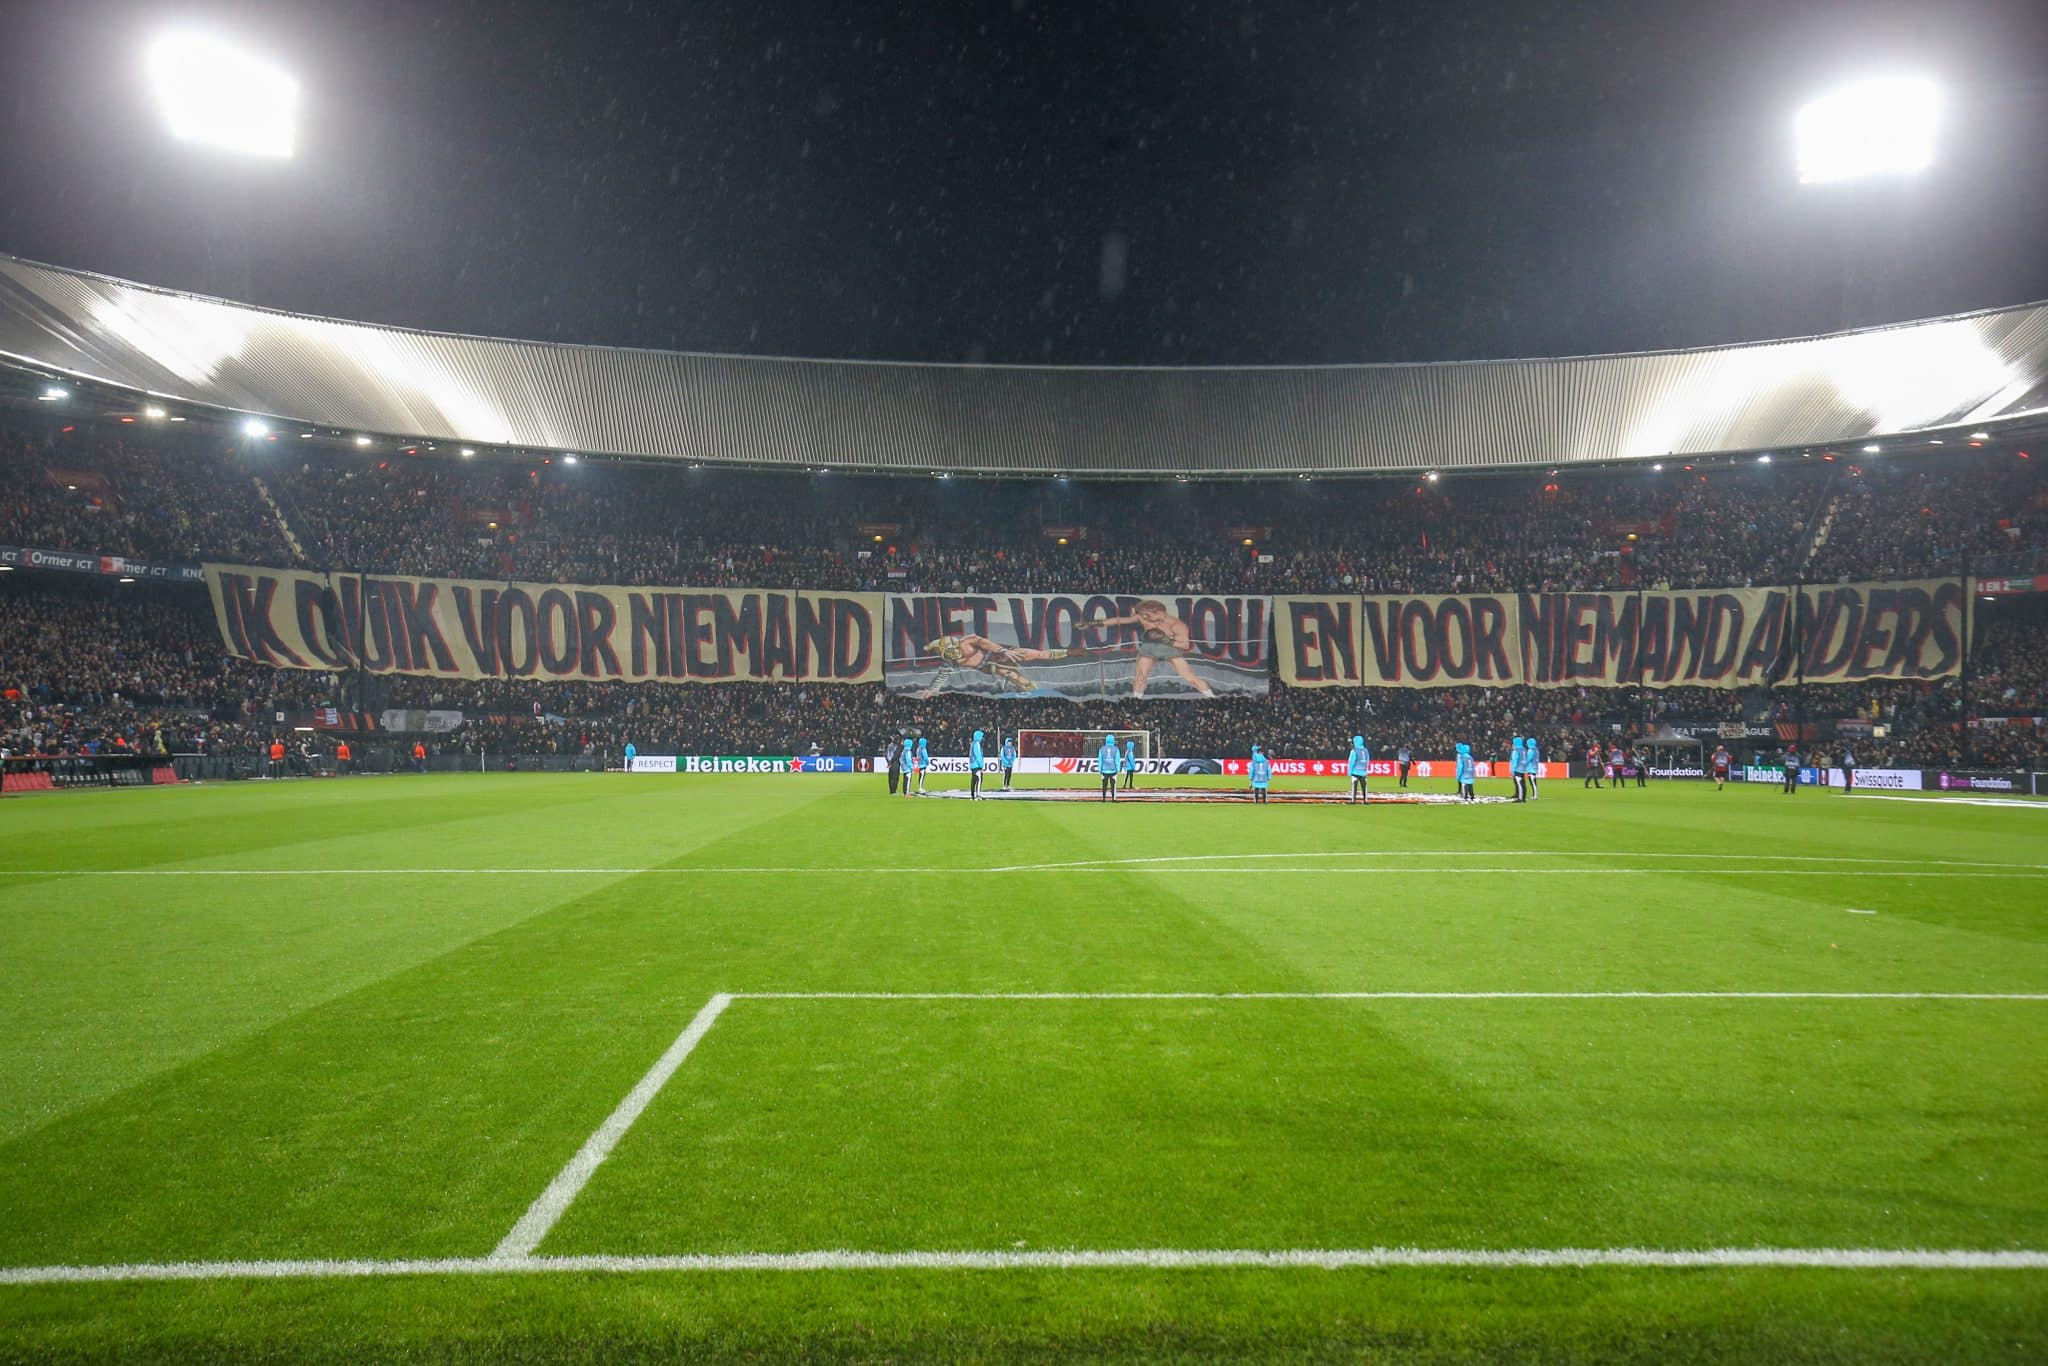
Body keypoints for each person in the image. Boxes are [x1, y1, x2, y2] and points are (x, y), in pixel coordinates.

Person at [1088, 600, 1216, 698]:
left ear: (1158, 612)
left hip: (1169, 647)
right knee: (1140, 677)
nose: (1145, 617)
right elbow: (1118, 620)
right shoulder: (1143, 617)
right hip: (1150, 646)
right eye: (1143, 615)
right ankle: (1136, 701)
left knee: (1190, 677)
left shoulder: (1177, 624)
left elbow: (1185, 645)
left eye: (1147, 614)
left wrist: (1165, 640)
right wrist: (1093, 624)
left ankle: (1211, 698)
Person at [920, 634, 1068, 695]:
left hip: (997, 654)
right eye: (947, 654)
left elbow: (986, 643)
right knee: (1013, 676)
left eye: (951, 650)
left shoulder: (968, 640)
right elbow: (942, 675)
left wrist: (1003, 651)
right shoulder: (950, 661)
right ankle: (1034, 693)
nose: (952, 655)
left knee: (1037, 654)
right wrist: (932, 689)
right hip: (989, 666)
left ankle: (1067, 653)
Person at [1347, 734, 1371, 804]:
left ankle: (1353, 800)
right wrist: (1365, 769)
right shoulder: (1366, 750)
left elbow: (1351, 762)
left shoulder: (1354, 751)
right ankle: (1365, 800)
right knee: (1364, 787)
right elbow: (1367, 760)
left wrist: (1349, 771)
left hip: (1355, 771)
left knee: (1354, 786)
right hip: (1363, 772)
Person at [1097, 732, 1122, 801]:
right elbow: (1117, 760)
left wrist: (1100, 769)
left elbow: (1100, 760)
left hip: (1104, 770)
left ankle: (1103, 799)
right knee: (1113, 785)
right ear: (1113, 740)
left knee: (1104, 785)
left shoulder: (1101, 749)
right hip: (1113, 770)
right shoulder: (1116, 749)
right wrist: (1118, 769)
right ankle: (1113, 799)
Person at [969, 729, 986, 800]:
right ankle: (978, 795)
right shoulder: (977, 744)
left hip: (972, 764)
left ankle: (972, 795)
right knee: (979, 779)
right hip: (976, 764)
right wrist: (981, 765)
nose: (982, 738)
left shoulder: (972, 743)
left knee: (974, 779)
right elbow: (978, 755)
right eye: (981, 736)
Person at [1509, 736, 1527, 802]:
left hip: (1517, 769)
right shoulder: (1524, 749)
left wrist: (1512, 770)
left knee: (1519, 784)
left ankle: (1520, 798)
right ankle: (1523, 798)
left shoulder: (1516, 751)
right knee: (1523, 784)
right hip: (1522, 769)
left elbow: (1514, 761)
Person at [1524, 735, 1541, 800]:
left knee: (1533, 782)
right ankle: (1534, 795)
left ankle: (1535, 795)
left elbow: (1528, 759)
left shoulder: (1531, 750)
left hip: (1531, 768)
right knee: (1533, 782)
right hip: (1534, 767)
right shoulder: (1536, 749)